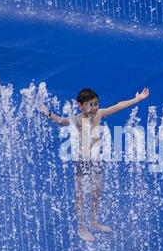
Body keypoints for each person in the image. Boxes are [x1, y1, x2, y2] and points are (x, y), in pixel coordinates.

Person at [40, 87, 150, 242]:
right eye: (89, 105)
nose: (93, 108)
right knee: (82, 195)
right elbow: (60, 121)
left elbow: (118, 106)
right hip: (81, 160)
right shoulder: (78, 119)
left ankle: (93, 222)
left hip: (95, 159)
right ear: (80, 106)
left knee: (97, 192)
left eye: (96, 104)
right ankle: (81, 228)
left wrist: (137, 100)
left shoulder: (99, 113)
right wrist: (47, 113)